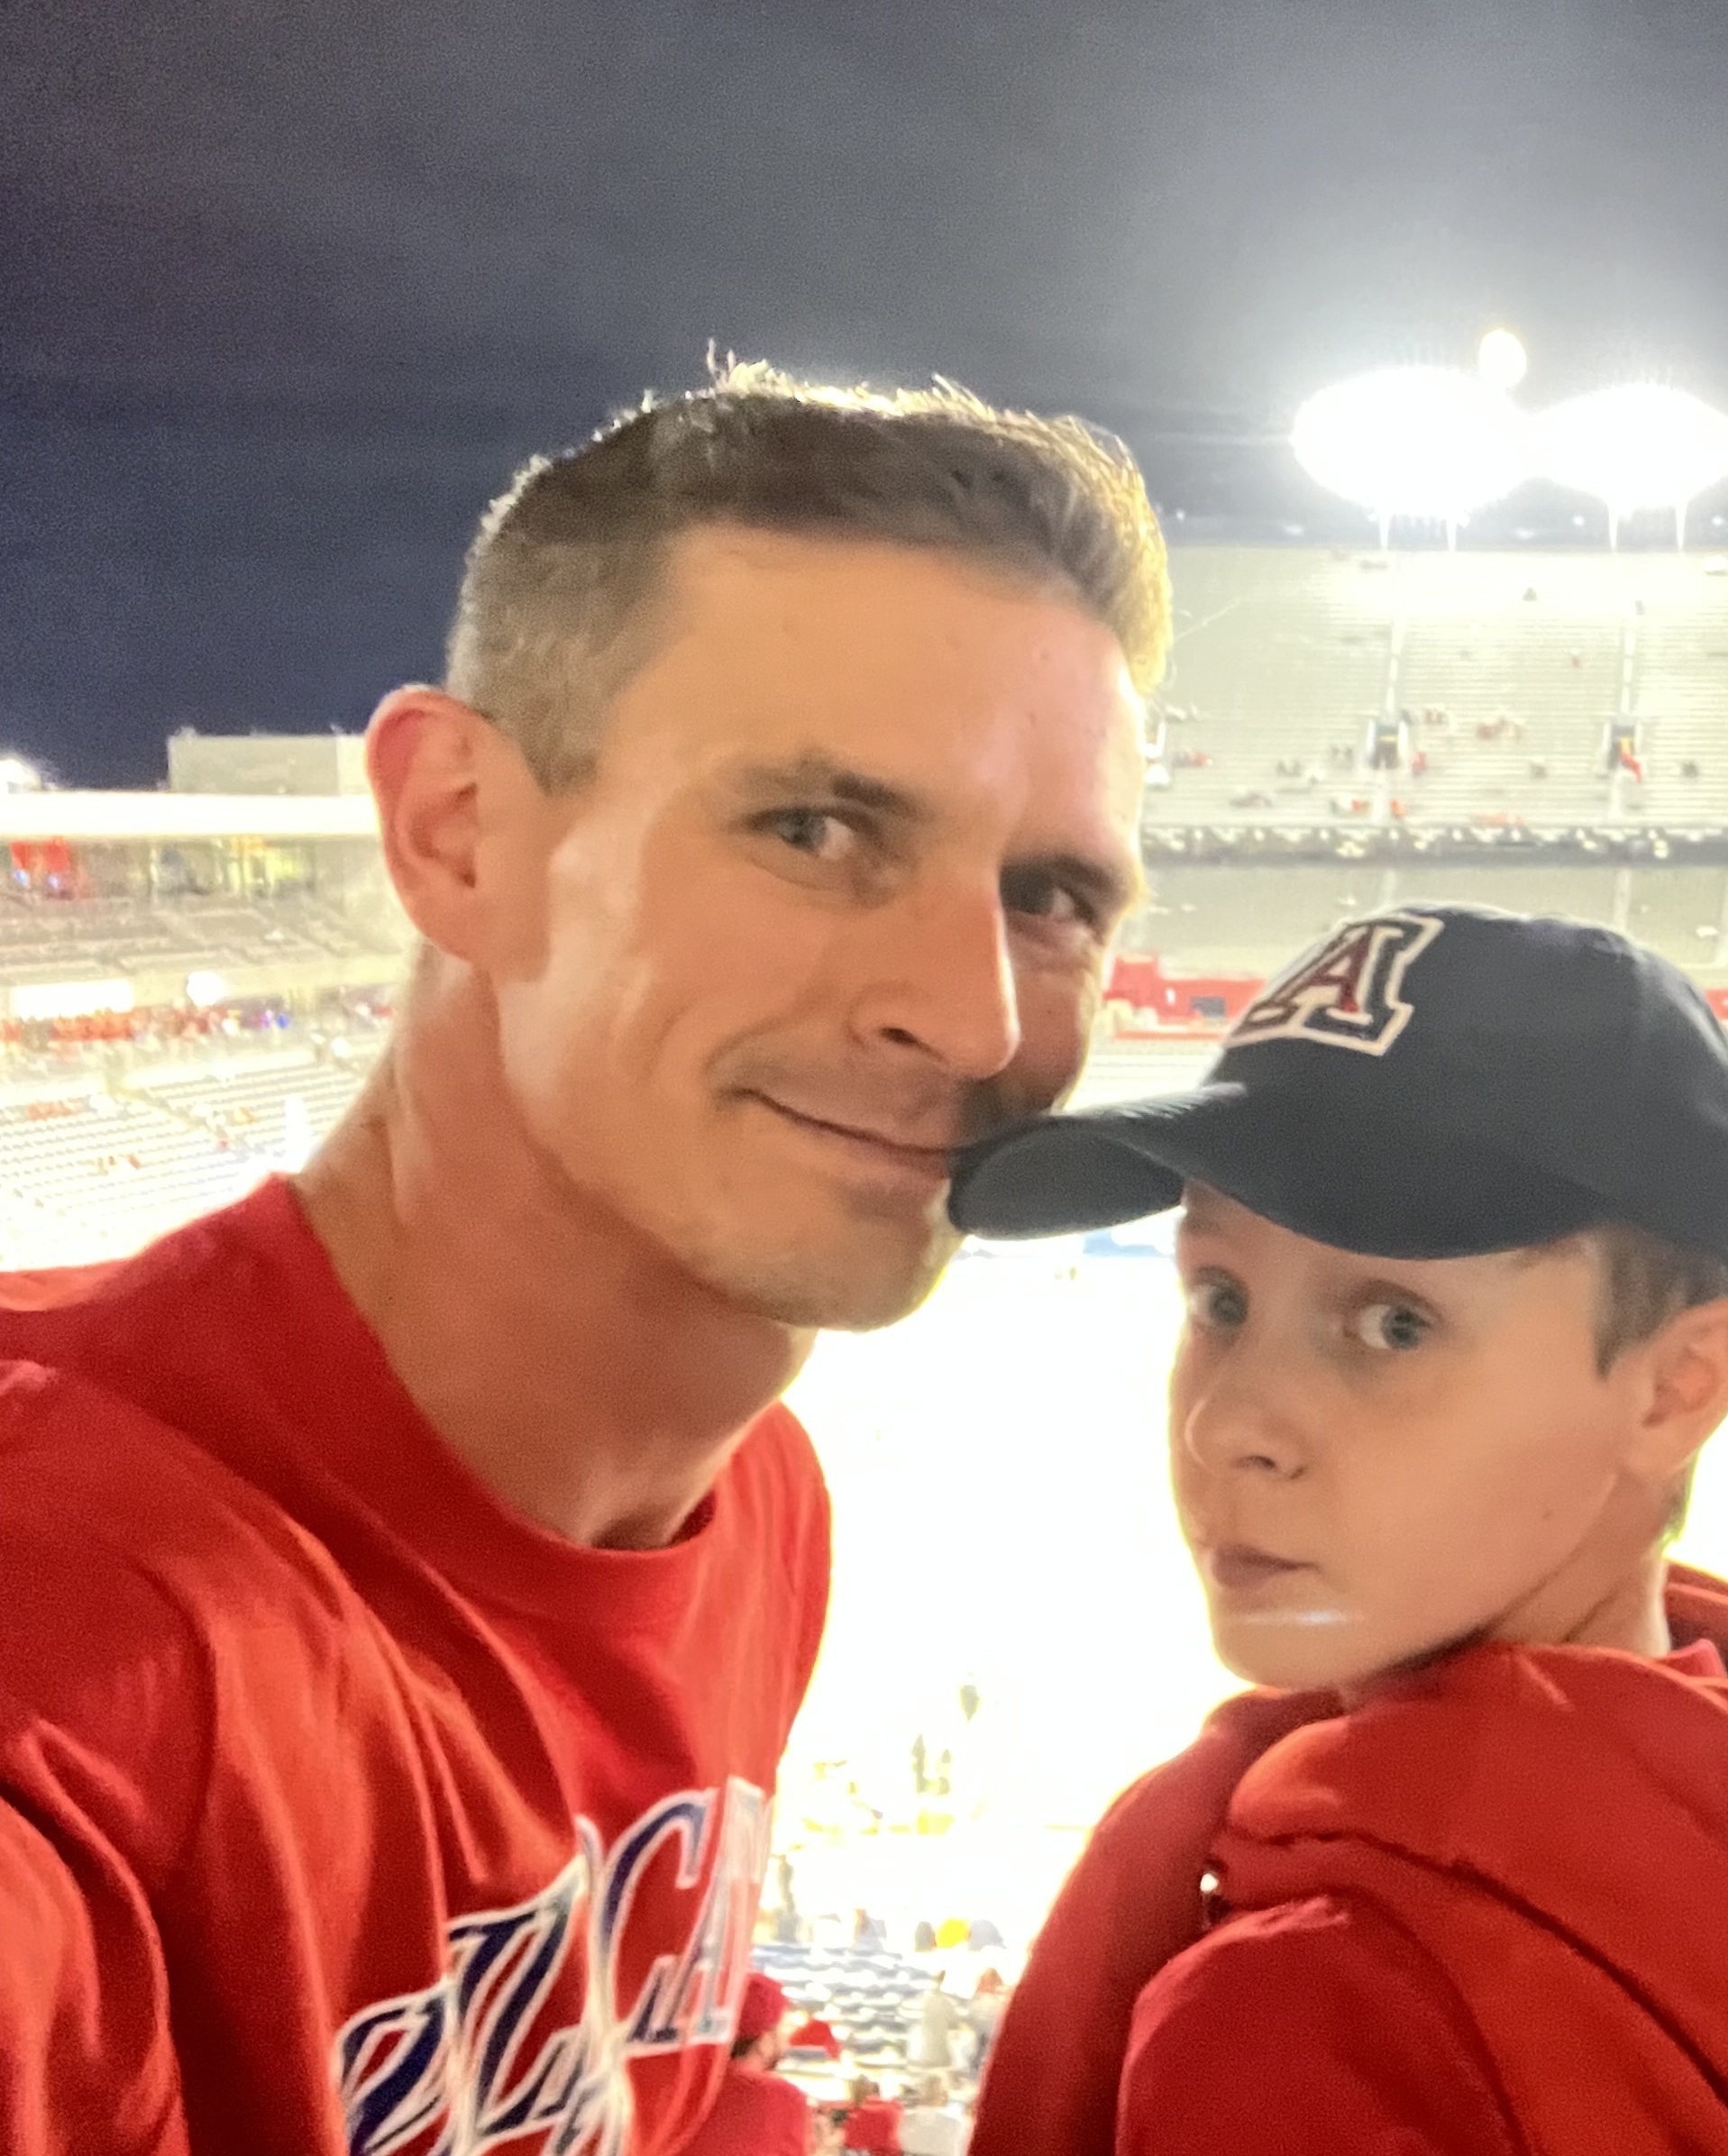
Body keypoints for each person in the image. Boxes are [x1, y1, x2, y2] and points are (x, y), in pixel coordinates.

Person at [0, 366, 1168, 2152]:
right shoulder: (74, 1632)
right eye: (816, 831)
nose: (976, 1019)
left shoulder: (752, 1504)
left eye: (1052, 898)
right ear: (459, 833)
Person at [953, 907, 1728, 2156]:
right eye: (1219, 1299)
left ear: (1677, 1387)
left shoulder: (1317, 2012)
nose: (1226, 1425)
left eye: (1392, 1324)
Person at [687, 1971, 817, 2156]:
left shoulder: (686, 2086)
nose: (788, 2041)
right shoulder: (780, 2097)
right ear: (764, 2041)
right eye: (783, 2028)